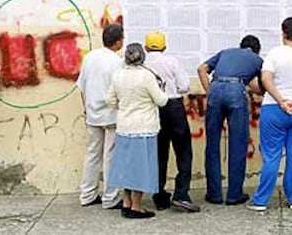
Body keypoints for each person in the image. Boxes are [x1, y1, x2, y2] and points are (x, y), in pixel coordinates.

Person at [246, 17, 292, 211]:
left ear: (283, 32)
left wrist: (281, 100)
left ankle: (261, 201)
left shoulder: (275, 54)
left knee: (271, 156)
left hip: (274, 109)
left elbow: (266, 79)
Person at [197, 35, 263, 205]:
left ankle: (214, 194)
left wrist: (210, 91)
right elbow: (263, 84)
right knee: (238, 144)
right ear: (256, 49)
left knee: (212, 145)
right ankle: (234, 195)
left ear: (241, 46)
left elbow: (201, 69)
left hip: (216, 89)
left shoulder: (225, 52)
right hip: (236, 92)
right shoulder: (256, 59)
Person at [107, 42, 168, 219]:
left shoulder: (118, 75)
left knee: (127, 167)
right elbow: (161, 100)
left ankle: (126, 202)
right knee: (141, 168)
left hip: (124, 126)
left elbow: (110, 100)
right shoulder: (147, 76)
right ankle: (136, 206)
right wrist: (162, 89)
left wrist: (125, 106)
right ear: (142, 57)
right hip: (144, 127)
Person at [144, 31, 200, 212]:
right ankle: (181, 193)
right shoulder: (172, 61)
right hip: (173, 106)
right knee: (183, 151)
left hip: (152, 108)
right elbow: (184, 86)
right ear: (164, 47)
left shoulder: (143, 64)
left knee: (159, 153)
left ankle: (159, 195)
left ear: (146, 47)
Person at [76, 23, 124, 209]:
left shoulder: (90, 57)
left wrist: (86, 110)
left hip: (92, 114)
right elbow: (120, 90)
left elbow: (81, 87)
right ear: (118, 41)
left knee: (92, 155)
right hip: (111, 115)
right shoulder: (117, 62)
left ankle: (87, 195)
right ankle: (110, 198)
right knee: (110, 156)